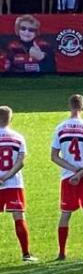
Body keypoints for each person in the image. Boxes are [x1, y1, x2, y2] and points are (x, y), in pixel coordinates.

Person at [51, 94, 83, 261]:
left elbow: (54, 156)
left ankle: (61, 253)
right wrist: (80, 172)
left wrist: (73, 170)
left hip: (67, 177)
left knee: (65, 214)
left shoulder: (60, 128)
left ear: (69, 106)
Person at [0, 106, 33, 261]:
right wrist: (6, 177)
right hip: (13, 183)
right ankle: (26, 254)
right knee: (18, 216)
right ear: (10, 119)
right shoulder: (18, 137)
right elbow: (20, 162)